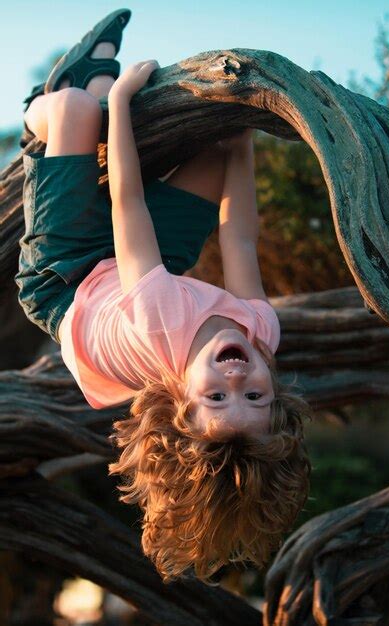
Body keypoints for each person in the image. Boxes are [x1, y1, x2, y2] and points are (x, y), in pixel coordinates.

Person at [16, 9, 311, 583]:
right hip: (151, 266)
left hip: (68, 275)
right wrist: (246, 131)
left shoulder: (159, 321)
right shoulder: (263, 333)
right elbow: (240, 236)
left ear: (180, 401)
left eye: (217, 401)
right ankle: (94, 86)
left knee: (77, 111)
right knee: (218, 144)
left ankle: (45, 105)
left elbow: (127, 203)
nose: (236, 382)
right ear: (275, 395)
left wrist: (123, 102)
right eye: (254, 398)